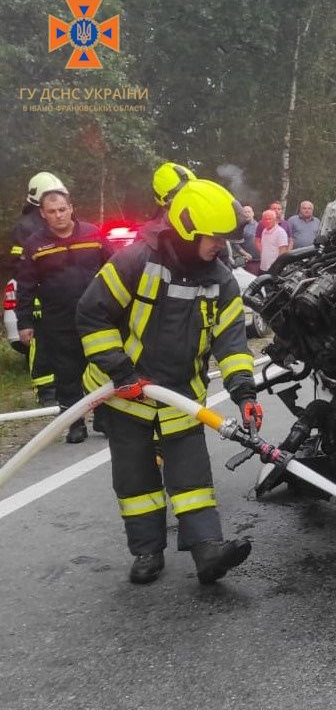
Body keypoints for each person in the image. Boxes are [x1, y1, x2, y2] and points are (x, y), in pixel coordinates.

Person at [76, 177, 261, 585]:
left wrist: (244, 391)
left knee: (193, 477)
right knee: (136, 477)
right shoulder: (135, 261)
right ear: (188, 227)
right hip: (125, 394)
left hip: (181, 397)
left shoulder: (221, 281)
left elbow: (231, 344)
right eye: (215, 238)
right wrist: (121, 370)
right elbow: (92, 314)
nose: (221, 247)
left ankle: (208, 550)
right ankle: (146, 551)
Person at [16, 186, 111, 442]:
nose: (58, 215)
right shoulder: (34, 245)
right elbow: (24, 287)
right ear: (43, 214)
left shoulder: (94, 234)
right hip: (58, 319)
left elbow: (114, 269)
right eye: (52, 211)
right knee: (67, 373)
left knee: (102, 368)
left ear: (71, 208)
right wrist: (23, 322)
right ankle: (75, 423)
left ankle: (104, 419)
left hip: (96, 316)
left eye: (62, 209)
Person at [9, 172, 64, 406]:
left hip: (57, 294)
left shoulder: (43, 222)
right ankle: (46, 392)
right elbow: (19, 265)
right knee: (40, 344)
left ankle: (58, 391)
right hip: (38, 295)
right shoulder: (26, 227)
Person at [237, 205, 260, 274]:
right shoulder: (240, 227)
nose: (247, 214)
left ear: (253, 213)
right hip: (246, 262)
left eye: (248, 212)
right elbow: (235, 243)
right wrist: (245, 253)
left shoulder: (259, 226)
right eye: (245, 212)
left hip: (260, 261)